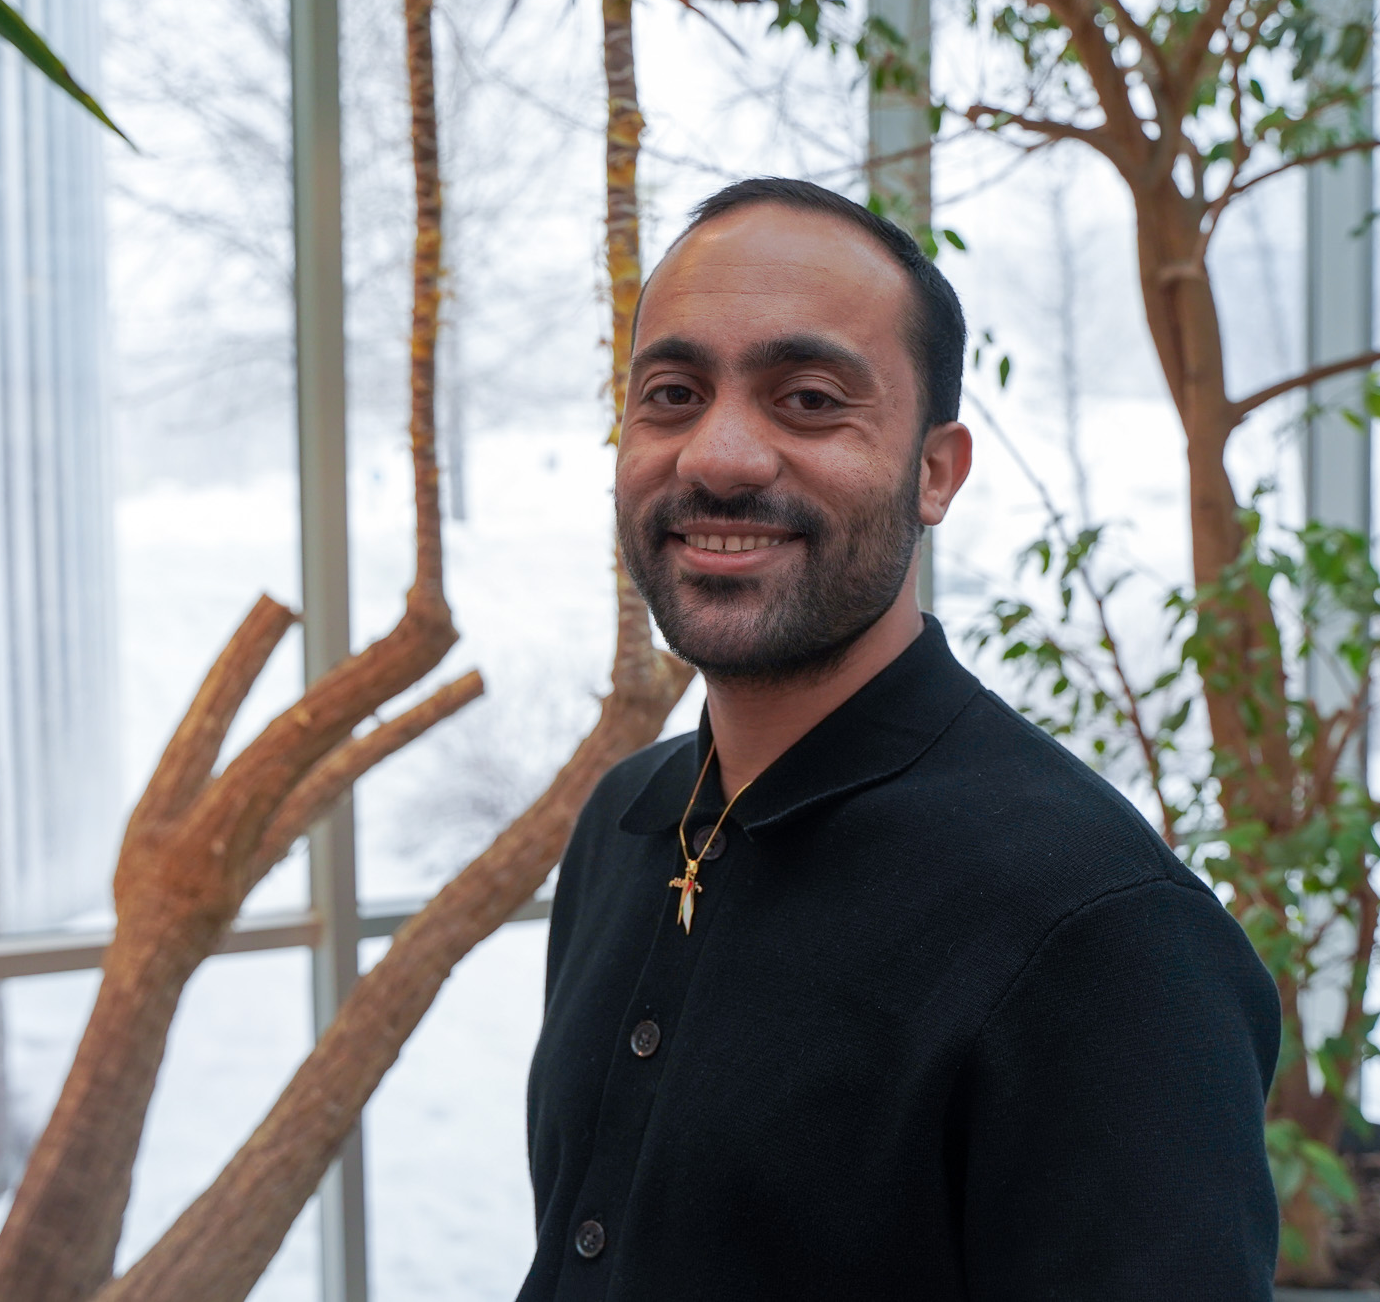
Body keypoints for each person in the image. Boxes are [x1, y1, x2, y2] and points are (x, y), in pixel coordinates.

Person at [519, 177, 1280, 1301]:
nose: (717, 457)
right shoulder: (626, 826)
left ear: (935, 471)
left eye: (808, 399)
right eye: (672, 394)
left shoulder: (1100, 937)